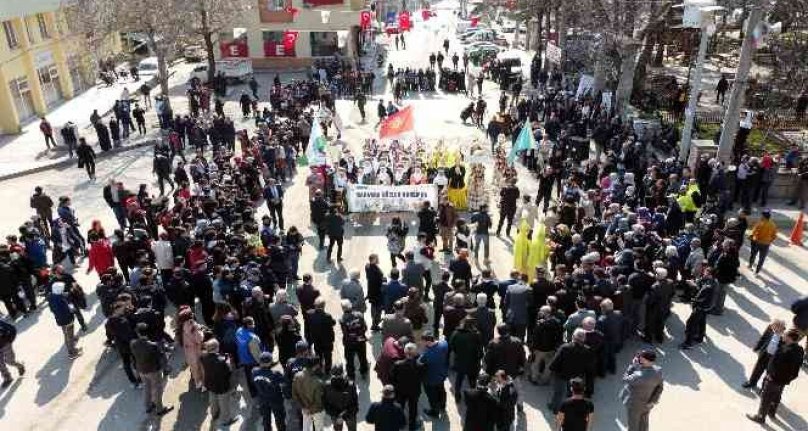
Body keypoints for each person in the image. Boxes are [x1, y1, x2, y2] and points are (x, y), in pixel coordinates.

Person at [745, 329, 804, 424]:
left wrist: (770, 376)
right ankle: (771, 412)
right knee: (776, 396)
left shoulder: (785, 350)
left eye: (785, 335)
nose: (783, 336)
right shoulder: (799, 350)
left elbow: (777, 366)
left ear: (790, 338)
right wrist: (788, 379)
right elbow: (796, 368)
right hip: (783, 381)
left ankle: (760, 417)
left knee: (766, 397)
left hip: (774, 379)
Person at [130, 322, 173, 416]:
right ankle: (160, 409)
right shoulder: (153, 345)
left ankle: (148, 406)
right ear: (147, 333)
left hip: (141, 370)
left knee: (147, 388)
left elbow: (133, 358)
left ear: (138, 333)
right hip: (153, 371)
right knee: (157, 389)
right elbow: (161, 357)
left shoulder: (133, 344)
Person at [548, 328, 594, 413]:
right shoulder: (587, 350)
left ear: (573, 337)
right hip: (576, 377)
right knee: (570, 394)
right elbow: (589, 367)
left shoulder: (565, 348)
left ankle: (556, 408)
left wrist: (552, 370)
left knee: (559, 393)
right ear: (584, 339)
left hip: (561, 375)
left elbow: (555, 362)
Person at [620, 350, 664, 431]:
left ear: (646, 360)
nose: (639, 359)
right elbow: (660, 387)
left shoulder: (638, 375)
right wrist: (653, 401)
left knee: (633, 425)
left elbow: (625, 379)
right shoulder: (658, 370)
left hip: (634, 404)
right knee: (644, 423)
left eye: (641, 358)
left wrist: (632, 366)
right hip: (648, 403)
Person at [200, 339, 239, 426]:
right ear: (216, 348)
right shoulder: (221, 361)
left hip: (210, 383)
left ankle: (214, 414)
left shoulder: (204, 357)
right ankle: (226, 420)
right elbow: (228, 372)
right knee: (224, 403)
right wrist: (228, 363)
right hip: (221, 386)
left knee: (213, 400)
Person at [743, 319, 787, 389]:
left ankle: (764, 388)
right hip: (764, 354)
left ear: (780, 327)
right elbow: (763, 338)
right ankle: (752, 383)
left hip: (773, 358)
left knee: (769, 374)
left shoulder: (784, 337)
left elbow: (784, 349)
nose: (772, 327)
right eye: (772, 326)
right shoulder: (770, 329)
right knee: (757, 369)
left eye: (774, 326)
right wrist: (757, 347)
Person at [680, 267, 716, 349]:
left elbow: (700, 296)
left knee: (691, 323)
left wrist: (693, 287)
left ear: (710, 275)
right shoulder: (713, 282)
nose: (704, 273)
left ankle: (688, 343)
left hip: (700, 307)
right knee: (702, 322)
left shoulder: (707, 286)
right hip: (706, 307)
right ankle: (700, 337)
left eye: (706, 272)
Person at [389, 342, 423, 430]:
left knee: (400, 407)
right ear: (415, 354)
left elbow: (392, 377)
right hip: (414, 391)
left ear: (404, 352)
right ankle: (412, 427)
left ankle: (399, 424)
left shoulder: (397, 364)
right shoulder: (420, 366)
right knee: (413, 409)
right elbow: (422, 377)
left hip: (400, 391)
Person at [450, 318, 484, 399]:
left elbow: (452, 345)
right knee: (472, 380)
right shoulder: (477, 334)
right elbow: (479, 348)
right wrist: (479, 358)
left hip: (460, 360)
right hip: (473, 361)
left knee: (459, 378)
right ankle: (472, 396)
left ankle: (457, 395)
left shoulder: (456, 333)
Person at [47, 281, 82, 358]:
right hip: (67, 320)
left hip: (59, 320)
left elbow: (52, 309)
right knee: (69, 336)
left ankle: (72, 349)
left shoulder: (50, 297)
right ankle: (72, 353)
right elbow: (70, 308)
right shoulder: (62, 299)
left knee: (66, 334)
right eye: (62, 289)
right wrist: (73, 309)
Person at [253, 351, 286, 431]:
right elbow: (284, 382)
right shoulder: (275, 373)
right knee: (279, 419)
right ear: (270, 362)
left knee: (266, 419)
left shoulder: (254, 372)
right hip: (275, 399)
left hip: (262, 399)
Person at [419, 331, 449, 417]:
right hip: (441, 375)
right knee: (441, 391)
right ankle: (442, 406)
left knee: (432, 397)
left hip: (430, 379)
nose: (421, 343)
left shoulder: (426, 354)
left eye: (423, 341)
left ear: (428, 341)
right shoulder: (444, 344)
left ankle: (434, 412)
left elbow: (419, 363)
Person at [292, 358, 326, 431]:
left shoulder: (297, 376)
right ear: (316, 366)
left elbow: (295, 394)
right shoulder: (318, 382)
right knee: (319, 429)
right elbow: (318, 401)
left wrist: (304, 408)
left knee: (306, 428)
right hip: (317, 411)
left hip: (304, 409)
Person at [323, 364, 359, 431]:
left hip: (335, 416)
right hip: (350, 414)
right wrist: (346, 413)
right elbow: (355, 402)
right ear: (343, 373)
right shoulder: (350, 384)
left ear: (331, 373)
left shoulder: (327, 386)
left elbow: (325, 404)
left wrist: (337, 415)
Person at [339, 300, 369, 380]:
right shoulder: (359, 315)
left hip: (349, 342)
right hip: (360, 340)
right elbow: (365, 328)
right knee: (362, 357)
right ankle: (364, 372)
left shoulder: (342, 319)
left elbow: (345, 333)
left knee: (349, 360)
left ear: (343, 309)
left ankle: (351, 375)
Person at [748, 209, 777, 274]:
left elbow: (754, 232)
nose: (760, 216)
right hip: (766, 244)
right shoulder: (773, 225)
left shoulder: (760, 224)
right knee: (761, 259)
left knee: (753, 254)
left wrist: (751, 237)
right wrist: (769, 241)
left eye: (761, 215)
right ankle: (757, 272)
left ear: (764, 216)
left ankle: (750, 265)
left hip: (757, 242)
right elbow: (774, 236)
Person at [0, 319, 25, 387]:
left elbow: (12, 329)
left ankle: (19, 366)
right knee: (1, 365)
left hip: (5, 345)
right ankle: (7, 378)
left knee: (9, 361)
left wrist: (10, 340)